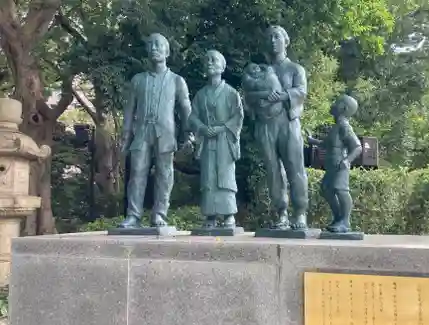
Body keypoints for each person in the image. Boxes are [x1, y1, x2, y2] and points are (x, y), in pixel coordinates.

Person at [119, 33, 192, 228]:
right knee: (137, 172)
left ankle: (159, 214)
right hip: (142, 131)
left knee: (165, 174)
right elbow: (129, 110)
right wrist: (126, 135)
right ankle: (133, 216)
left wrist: (189, 132)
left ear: (167, 51)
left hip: (166, 132)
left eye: (158, 45)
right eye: (150, 45)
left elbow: (185, 108)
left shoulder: (177, 80)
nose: (154, 48)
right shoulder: (138, 80)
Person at [244, 25, 309, 230]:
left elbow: (301, 91)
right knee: (272, 171)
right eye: (269, 37)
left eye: (277, 37)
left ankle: (300, 213)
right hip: (266, 124)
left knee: (295, 169)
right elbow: (248, 97)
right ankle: (280, 213)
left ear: (285, 41)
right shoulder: (259, 70)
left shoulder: (295, 69)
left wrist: (283, 96)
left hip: (288, 123)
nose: (273, 41)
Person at [188, 50, 244, 229]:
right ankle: (210, 216)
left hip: (225, 141)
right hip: (207, 141)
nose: (210, 62)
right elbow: (192, 117)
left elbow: (238, 116)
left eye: (214, 60)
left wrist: (222, 128)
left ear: (223, 66)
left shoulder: (231, 93)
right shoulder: (201, 95)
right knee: (208, 178)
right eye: (207, 60)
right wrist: (203, 128)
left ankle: (229, 215)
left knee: (225, 177)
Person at [307, 95, 362, 233]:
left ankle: (345, 221)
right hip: (332, 166)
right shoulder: (336, 127)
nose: (333, 104)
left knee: (341, 190)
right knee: (326, 189)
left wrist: (347, 160)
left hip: (339, 165)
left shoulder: (344, 126)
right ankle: (338, 217)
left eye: (337, 102)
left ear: (343, 108)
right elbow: (326, 144)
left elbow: (357, 147)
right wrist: (312, 141)